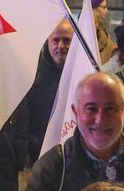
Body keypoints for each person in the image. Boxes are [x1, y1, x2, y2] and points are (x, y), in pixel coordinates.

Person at [22, 20, 71, 167]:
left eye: (66, 40)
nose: (60, 46)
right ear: (48, 41)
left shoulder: (81, 74)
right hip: (38, 154)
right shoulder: (32, 75)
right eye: (56, 40)